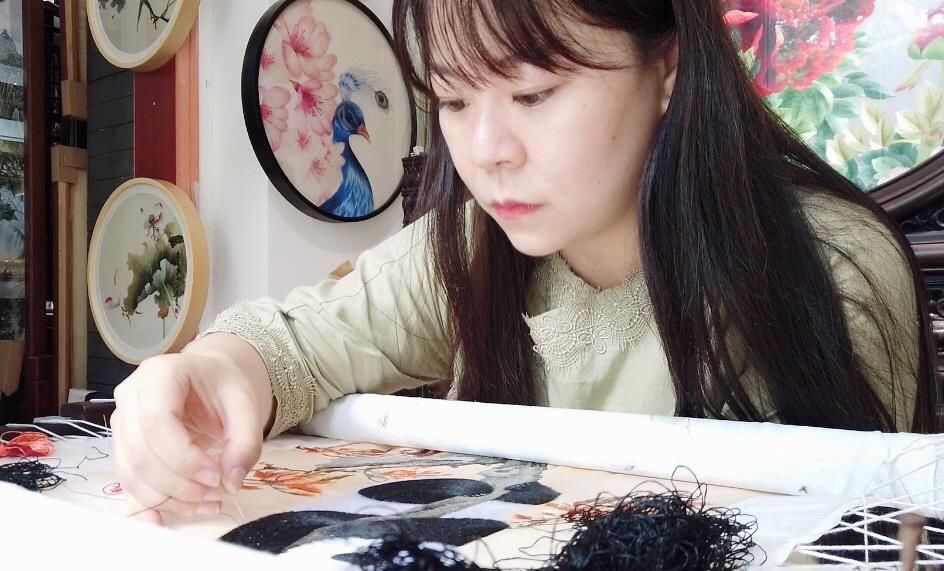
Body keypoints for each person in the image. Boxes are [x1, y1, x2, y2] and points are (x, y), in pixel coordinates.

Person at [109, 0, 942, 523]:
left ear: (667, 67)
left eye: (534, 93)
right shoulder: (470, 248)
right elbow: (299, 340)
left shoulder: (829, 269)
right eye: (454, 99)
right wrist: (215, 371)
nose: (485, 152)